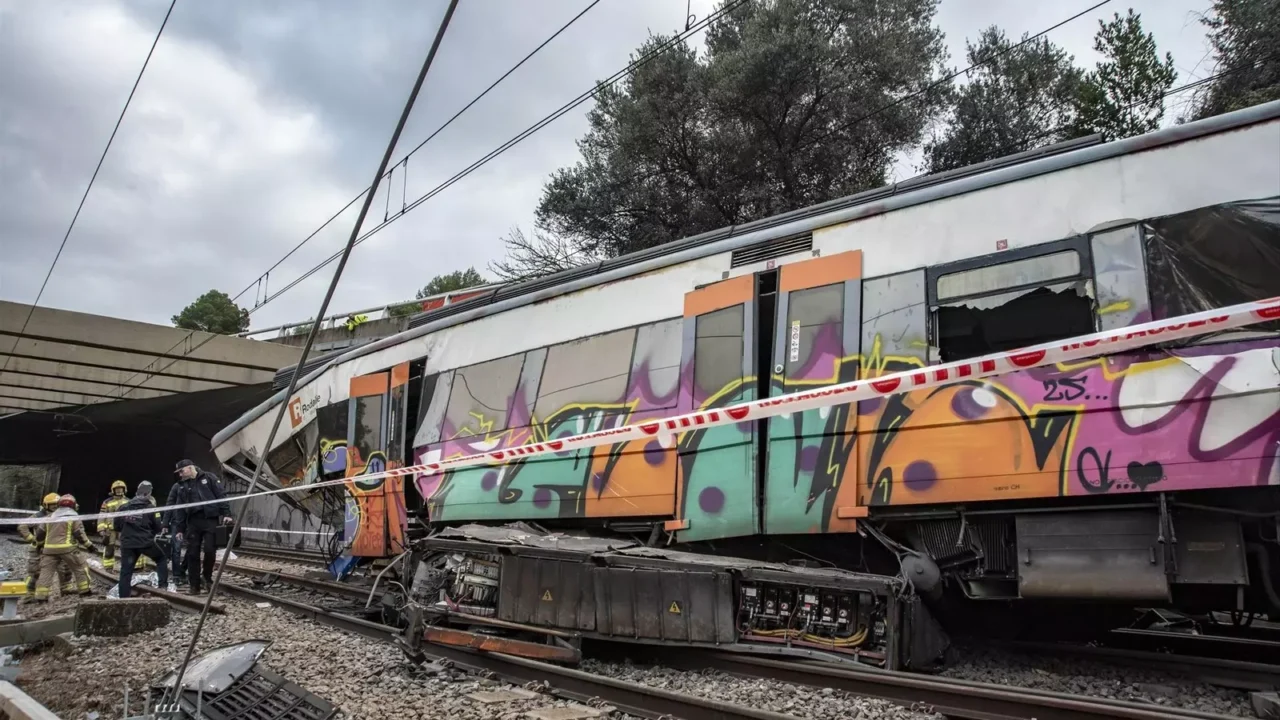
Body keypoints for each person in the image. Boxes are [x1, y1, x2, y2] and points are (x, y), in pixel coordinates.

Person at [170, 460, 231, 595]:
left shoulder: (209, 478)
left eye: (182, 471)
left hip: (210, 519)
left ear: (190, 468)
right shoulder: (181, 486)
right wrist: (180, 528)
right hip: (193, 521)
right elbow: (179, 509)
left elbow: (221, 495)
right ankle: (194, 585)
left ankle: (207, 576)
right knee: (192, 554)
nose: (180, 475)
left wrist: (226, 513)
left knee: (210, 550)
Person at [30, 494, 93, 601]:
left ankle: (41, 596)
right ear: (73, 505)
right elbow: (79, 533)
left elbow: (40, 533)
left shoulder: (50, 517)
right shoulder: (74, 516)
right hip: (68, 548)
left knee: (46, 571)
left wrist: (39, 545)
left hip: (49, 549)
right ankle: (84, 591)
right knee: (80, 567)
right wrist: (89, 545)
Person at [113, 481, 169, 597]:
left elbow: (116, 526)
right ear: (148, 493)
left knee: (126, 571)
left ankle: (123, 598)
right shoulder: (151, 508)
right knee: (161, 559)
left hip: (128, 544)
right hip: (145, 543)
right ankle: (163, 587)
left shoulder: (123, 507)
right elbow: (158, 527)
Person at [17, 494, 72, 594]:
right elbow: (22, 526)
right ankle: (29, 594)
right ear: (46, 505)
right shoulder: (38, 516)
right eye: (52, 505)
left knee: (65, 569)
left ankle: (66, 590)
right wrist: (32, 539)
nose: (55, 507)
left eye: (57, 504)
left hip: (56, 547)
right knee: (35, 573)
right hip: (38, 548)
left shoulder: (64, 515)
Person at [97, 480, 128, 570]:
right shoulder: (107, 502)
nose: (119, 491)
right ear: (113, 490)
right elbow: (102, 515)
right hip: (110, 529)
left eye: (120, 489)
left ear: (124, 489)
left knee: (126, 548)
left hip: (124, 528)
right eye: (117, 489)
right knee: (109, 548)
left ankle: (126, 567)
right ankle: (108, 567)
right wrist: (101, 529)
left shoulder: (128, 502)